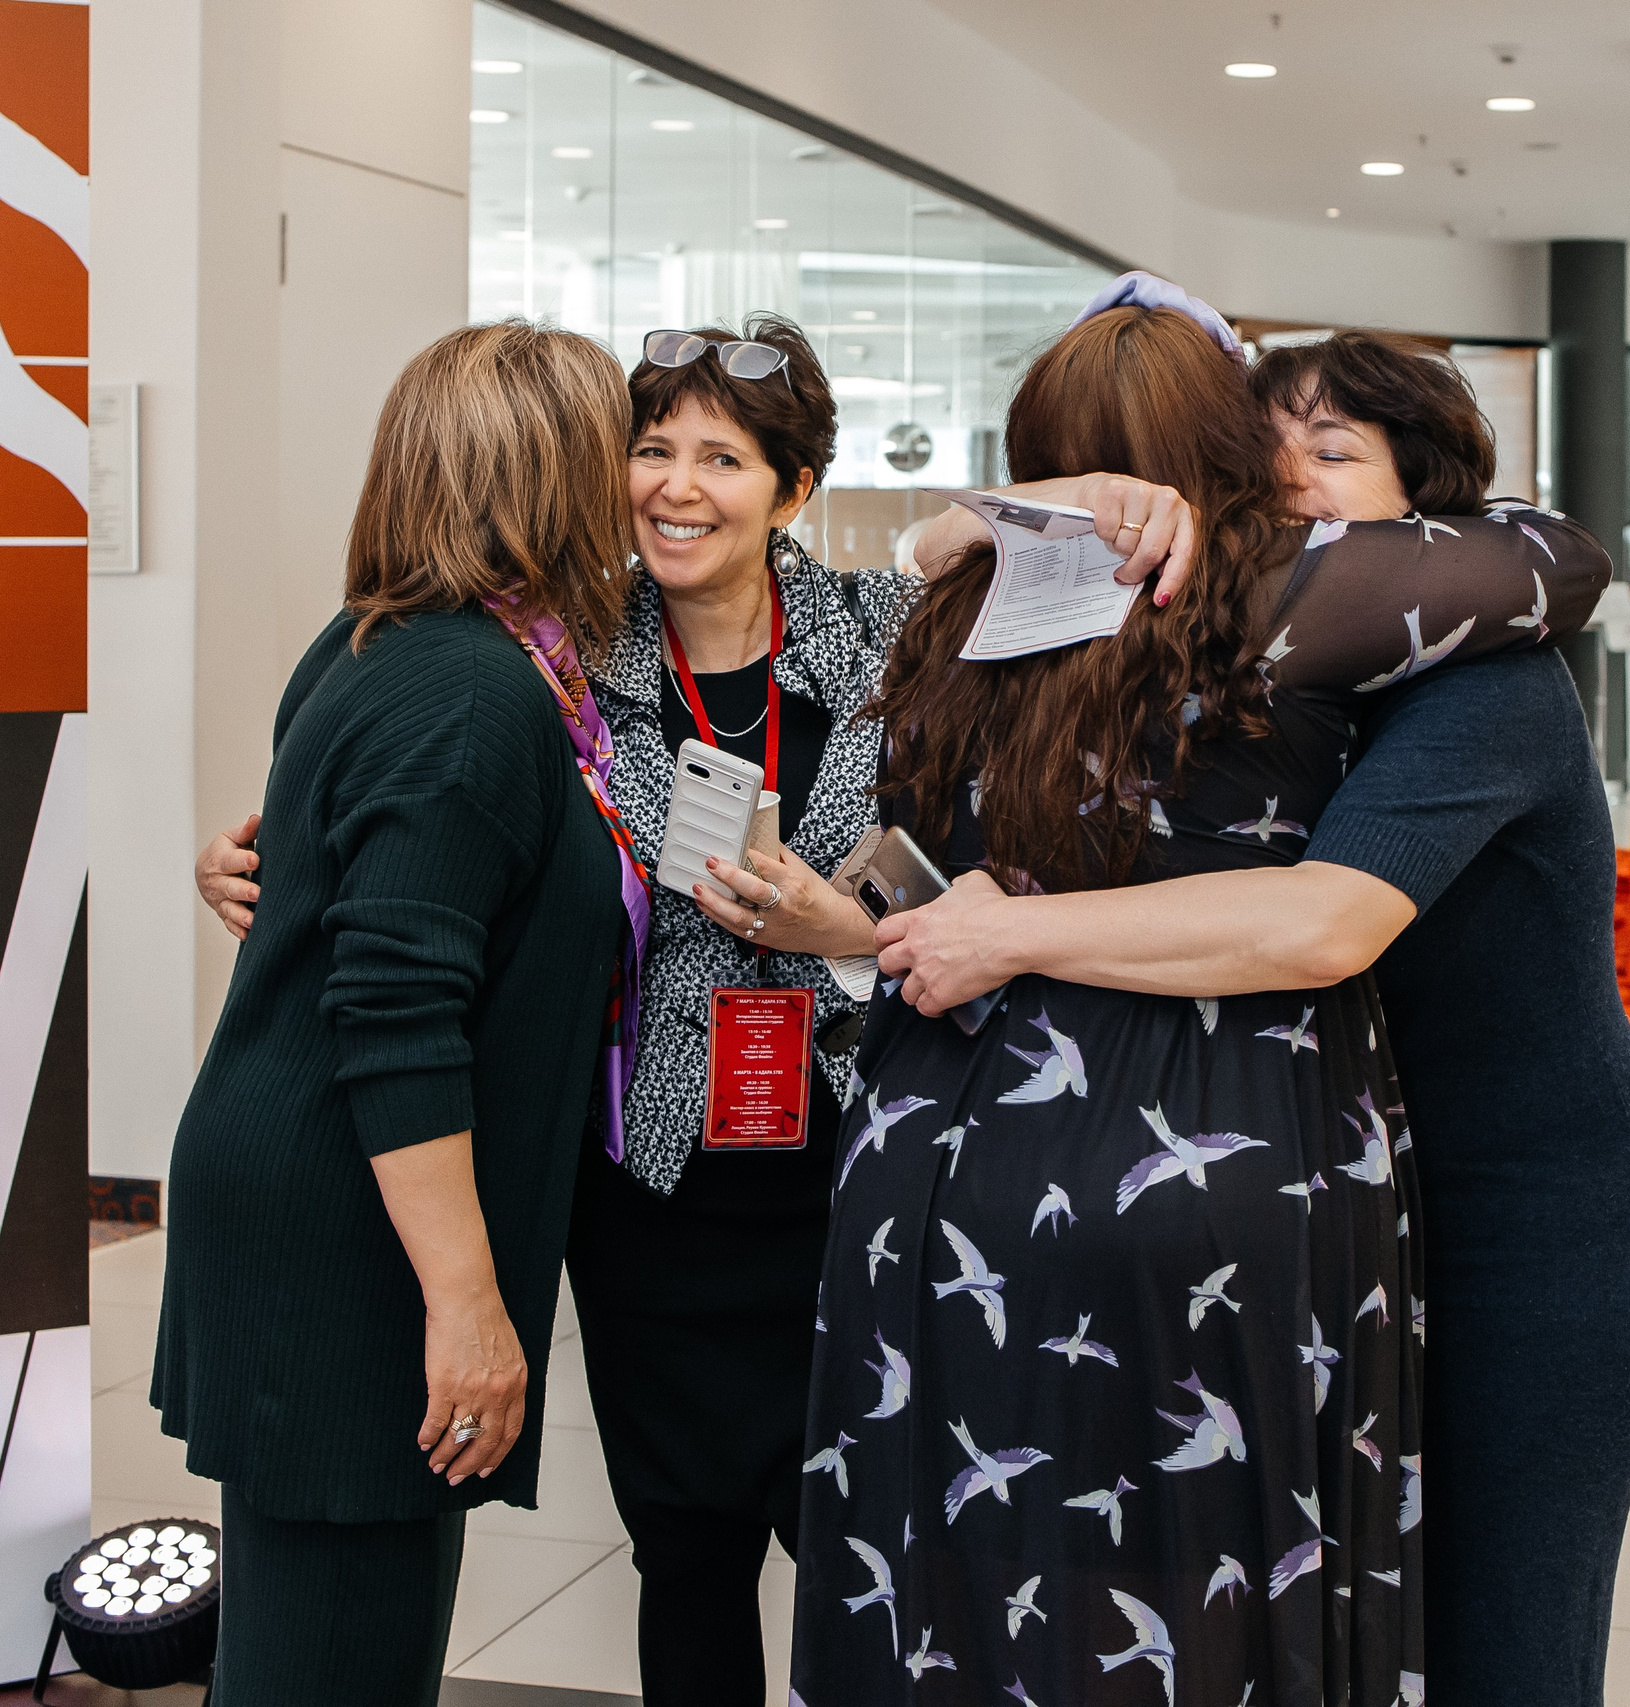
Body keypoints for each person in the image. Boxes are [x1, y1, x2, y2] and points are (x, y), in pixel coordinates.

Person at [191, 312, 1194, 1707]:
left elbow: (1001, 838)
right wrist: (266, 859)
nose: (676, 483)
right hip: (645, 1180)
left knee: (876, 1548)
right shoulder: (553, 655)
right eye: (649, 447)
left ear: (792, 488)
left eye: (723, 456)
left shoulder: (891, 636)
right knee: (688, 1552)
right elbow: (394, 820)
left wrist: (849, 934)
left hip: (858, 1171)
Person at [790, 285, 1610, 1705]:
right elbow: (1561, 560)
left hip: (932, 1152)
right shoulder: (1292, 602)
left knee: (953, 1583)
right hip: (1209, 1138)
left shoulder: (949, 618)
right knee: (1197, 1573)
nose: (1298, 482)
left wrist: (990, 516)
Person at [153, 321, 646, 1706]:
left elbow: (329, 885)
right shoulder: (474, 695)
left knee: (323, 1634)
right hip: (352, 1228)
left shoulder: (389, 641)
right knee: (338, 1649)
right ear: (558, 478)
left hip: (310, 1186)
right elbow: (396, 1015)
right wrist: (474, 1307)